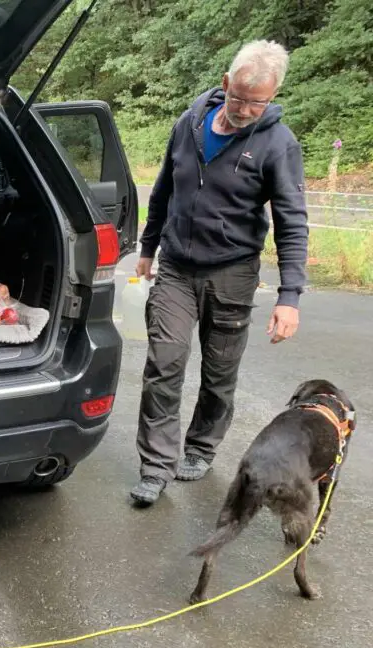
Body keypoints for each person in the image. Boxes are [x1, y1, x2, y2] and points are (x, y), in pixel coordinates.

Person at [130, 39, 309, 506]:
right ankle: (155, 465)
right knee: (164, 365)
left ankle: (201, 446)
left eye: (259, 101)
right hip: (175, 268)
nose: (247, 109)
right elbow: (164, 190)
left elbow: (292, 221)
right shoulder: (189, 124)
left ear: (272, 96)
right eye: (239, 98)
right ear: (226, 83)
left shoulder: (277, 144)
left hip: (232, 272)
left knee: (218, 373)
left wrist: (290, 296)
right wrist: (148, 247)